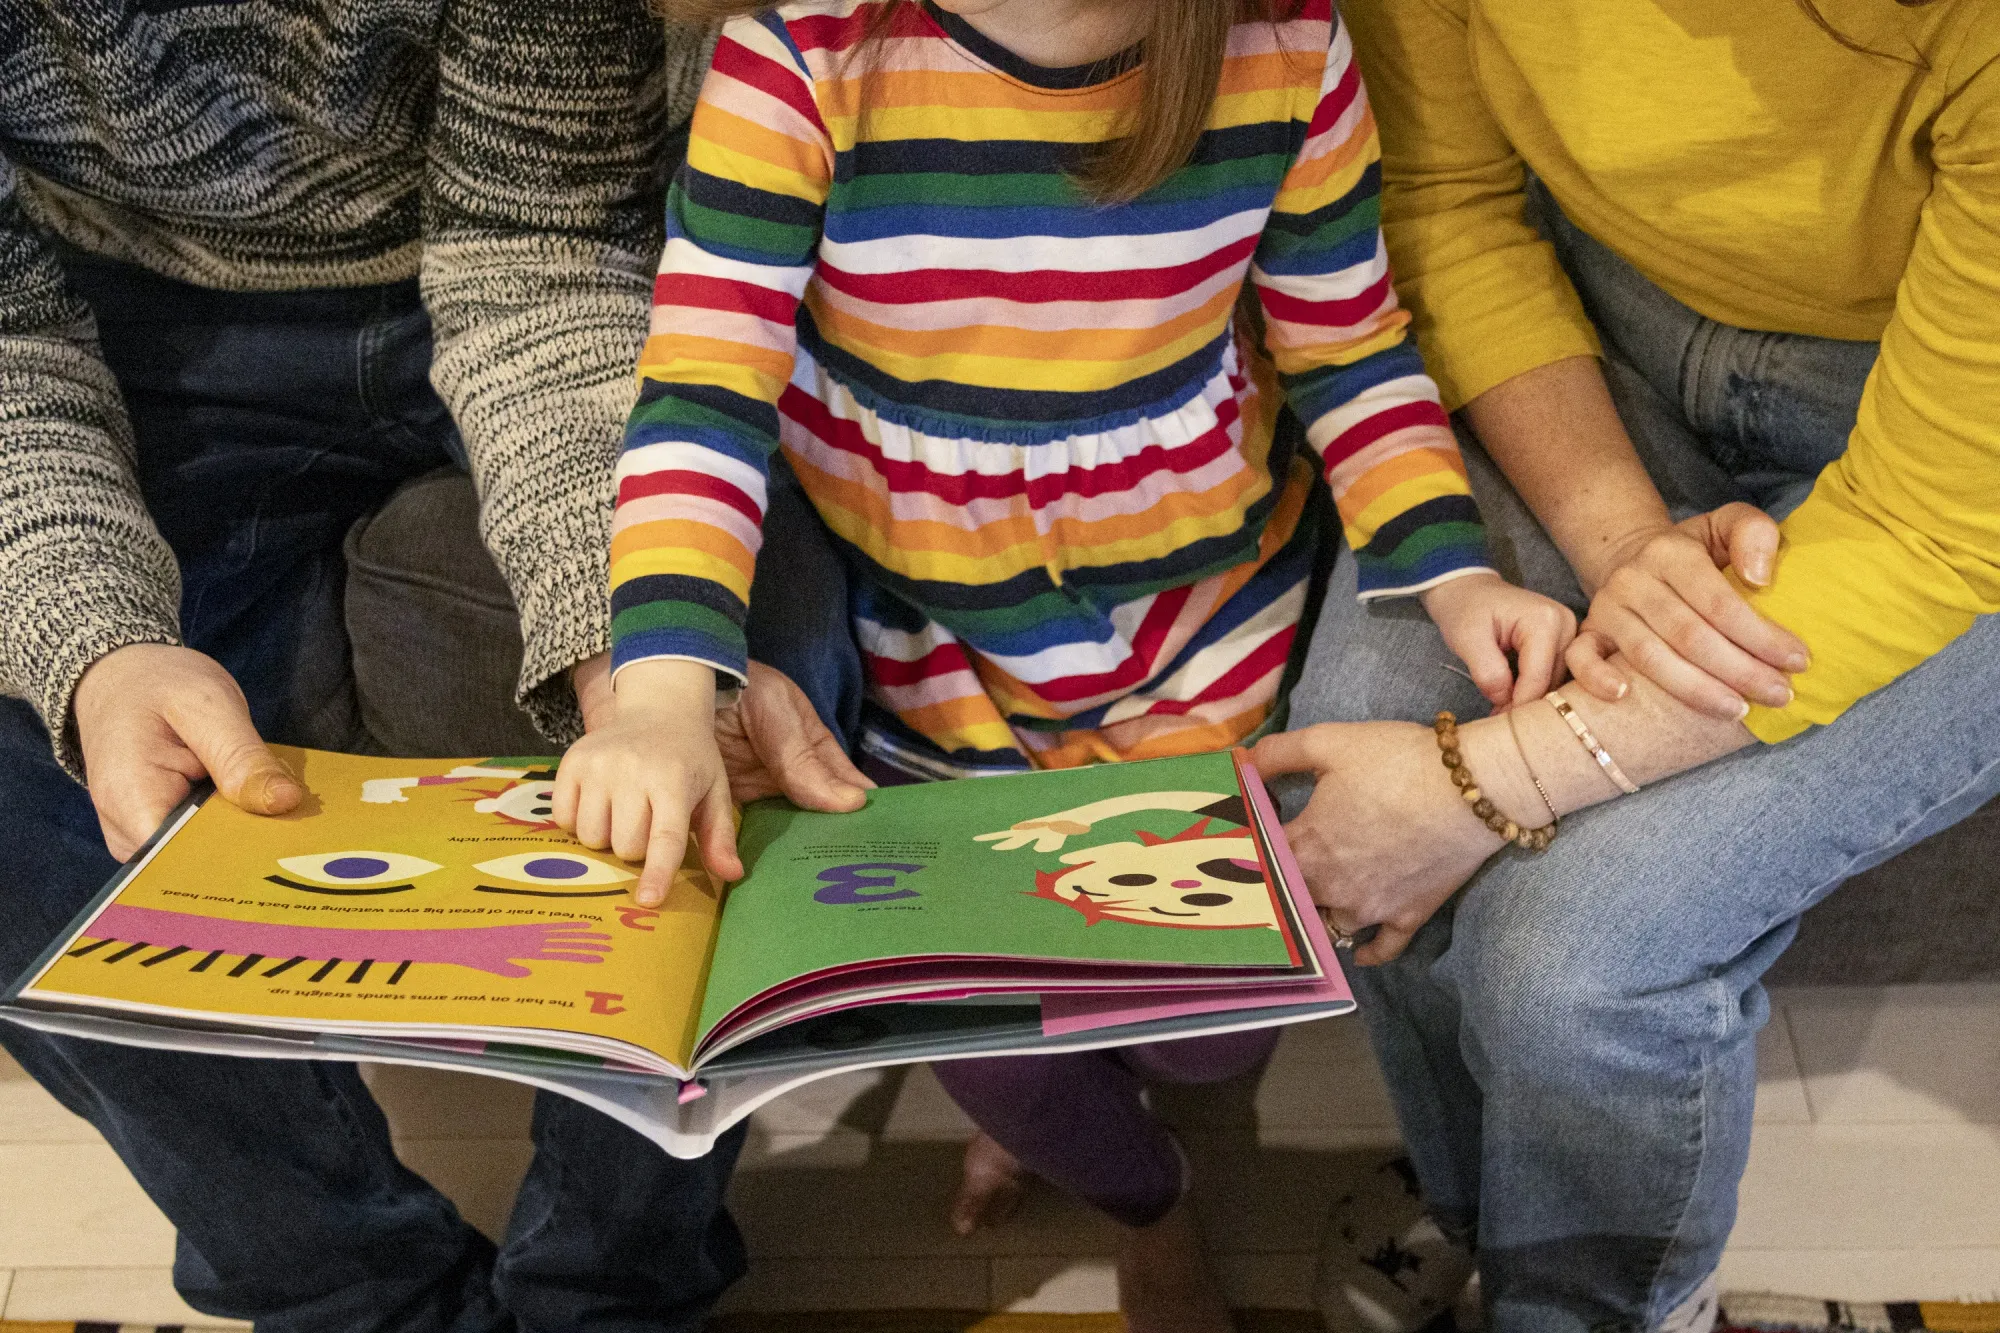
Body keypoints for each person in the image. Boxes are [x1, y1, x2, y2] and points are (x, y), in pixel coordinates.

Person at [554, 1, 1579, 1327]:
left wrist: (1454, 567)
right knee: (987, 1039)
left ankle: (1114, 1117)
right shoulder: (802, 56)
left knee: (1210, 1026)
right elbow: (702, 392)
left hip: (1196, 616)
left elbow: (1349, 341)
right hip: (933, 639)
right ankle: (1136, 1194)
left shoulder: (1287, 43)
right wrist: (659, 690)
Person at [0, 3, 855, 1327]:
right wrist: (98, 646)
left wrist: (631, 650)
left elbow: (543, 250)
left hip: (532, 260)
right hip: (98, 314)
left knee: (766, 653)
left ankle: (610, 1291)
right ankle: (356, 1295)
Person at [1251, 1, 2000, 1329]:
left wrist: (1488, 780)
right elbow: (1449, 199)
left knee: (1579, 955)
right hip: (1611, 348)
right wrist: (1623, 542)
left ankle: (1607, 1306)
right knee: (1357, 734)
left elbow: (1936, 522)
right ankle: (1490, 1211)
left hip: (1958, 484)